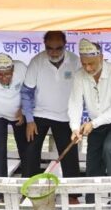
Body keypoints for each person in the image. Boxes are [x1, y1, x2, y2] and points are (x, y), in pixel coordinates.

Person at [69, 39, 111, 204]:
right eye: (84, 64)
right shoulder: (79, 75)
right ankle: (92, 199)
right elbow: (75, 103)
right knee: (93, 156)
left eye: (91, 64)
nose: (88, 68)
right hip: (96, 121)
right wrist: (75, 128)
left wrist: (93, 124)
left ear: (101, 58)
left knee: (110, 148)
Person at [21, 31, 81, 196]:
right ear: (44, 45)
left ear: (65, 44)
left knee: (69, 156)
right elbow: (27, 92)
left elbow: (82, 91)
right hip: (39, 114)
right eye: (49, 48)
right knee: (31, 150)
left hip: (65, 115)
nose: (54, 52)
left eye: (58, 48)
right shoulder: (37, 61)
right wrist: (29, 120)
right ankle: (29, 192)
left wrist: (78, 119)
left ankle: (73, 194)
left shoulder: (75, 62)